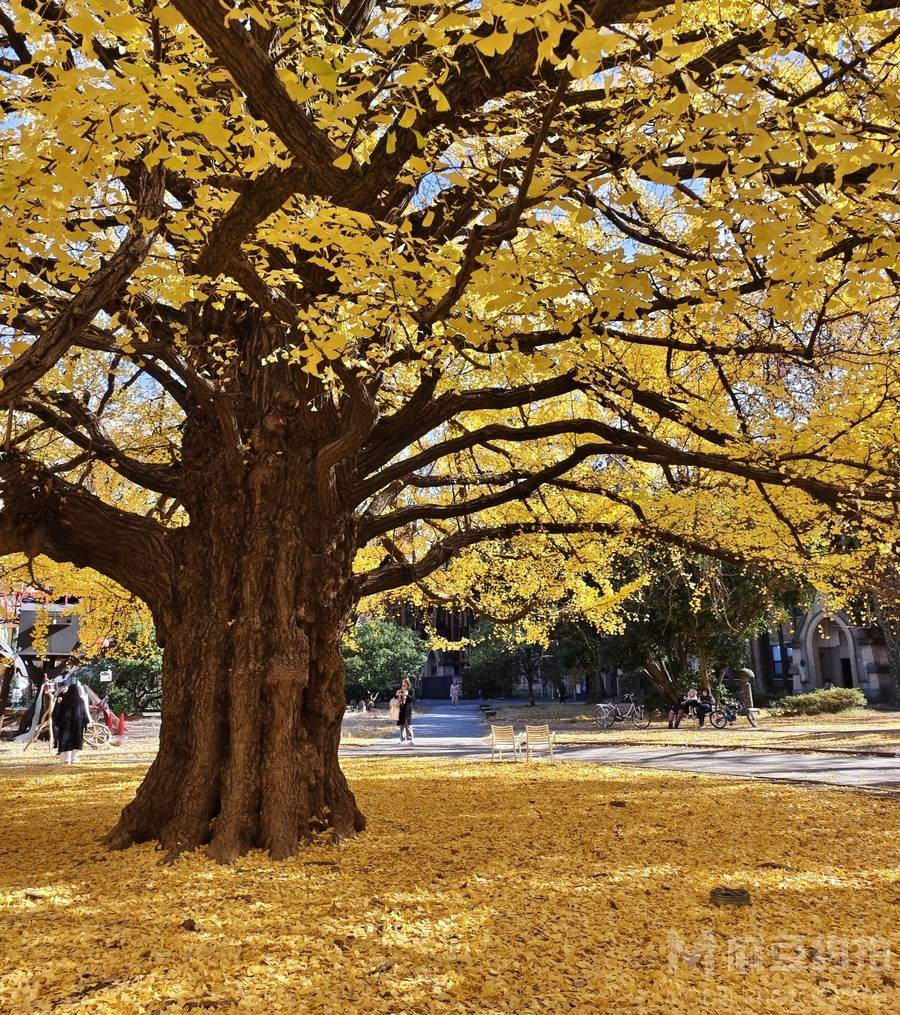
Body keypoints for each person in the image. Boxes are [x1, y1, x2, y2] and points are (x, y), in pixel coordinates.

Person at [52, 682, 89, 763]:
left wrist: (58, 722)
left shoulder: (63, 700)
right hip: (77, 725)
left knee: (65, 741)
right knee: (76, 741)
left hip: (65, 725)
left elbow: (56, 713)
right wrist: (86, 722)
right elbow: (84, 713)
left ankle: (65, 759)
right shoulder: (80, 701)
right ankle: (74, 759)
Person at [396, 677, 415, 744]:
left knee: (408, 723)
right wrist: (397, 694)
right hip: (401, 708)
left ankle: (410, 739)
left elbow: (412, 699)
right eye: (402, 683)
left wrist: (407, 695)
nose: (403, 684)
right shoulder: (400, 690)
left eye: (405, 683)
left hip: (408, 708)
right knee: (402, 724)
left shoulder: (411, 690)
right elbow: (396, 699)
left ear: (407, 683)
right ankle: (402, 739)